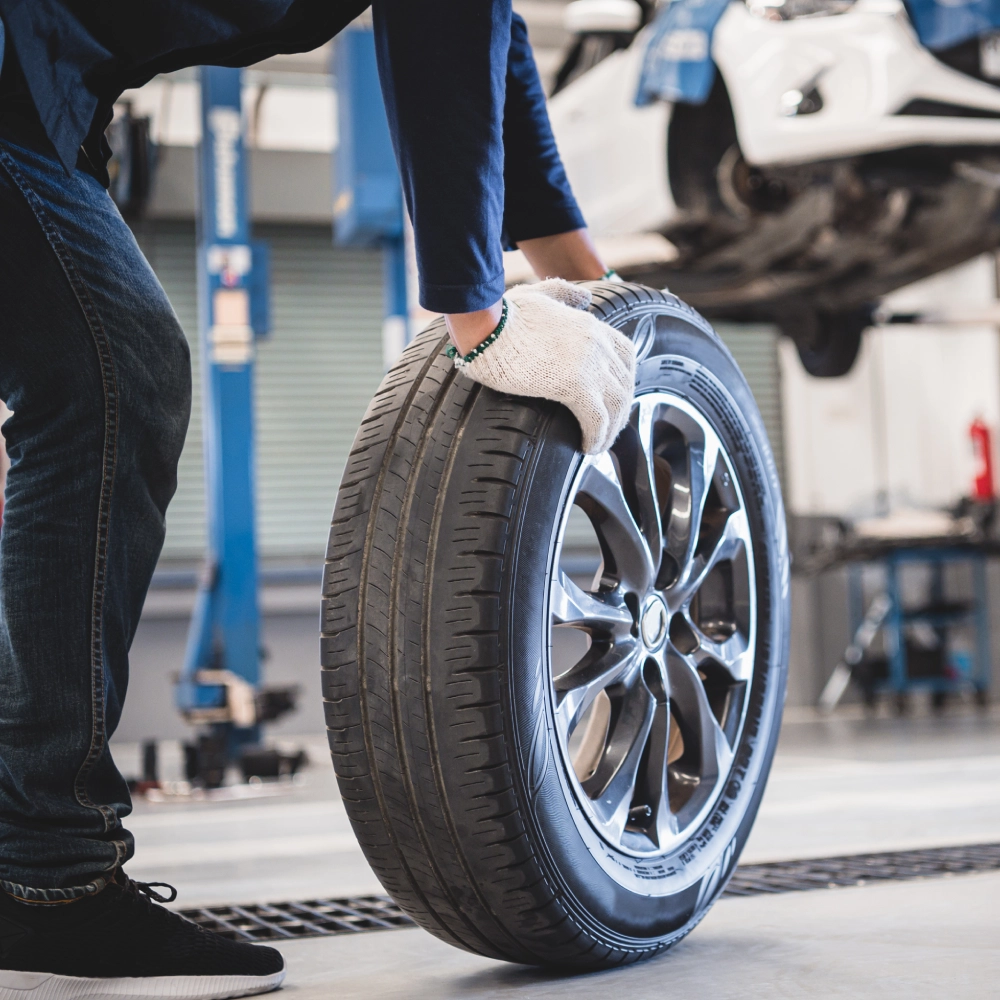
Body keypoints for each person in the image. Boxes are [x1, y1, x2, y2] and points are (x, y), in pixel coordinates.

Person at [0, 2, 636, 997]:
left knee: (101, 378)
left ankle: (43, 866)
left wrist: (608, 306)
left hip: (39, 97)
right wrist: (477, 313)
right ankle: (46, 874)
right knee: (109, 377)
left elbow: (487, 40)